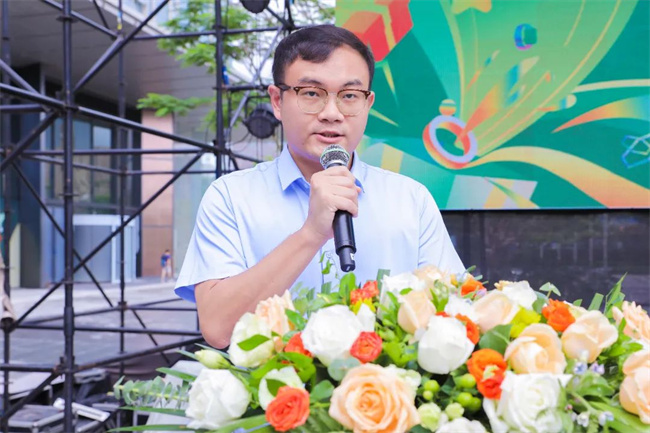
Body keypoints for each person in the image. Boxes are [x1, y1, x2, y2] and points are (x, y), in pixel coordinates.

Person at [175, 25, 464, 348]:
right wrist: (311, 234)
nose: (332, 113)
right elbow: (218, 328)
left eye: (349, 96)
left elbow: (457, 312)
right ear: (277, 101)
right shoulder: (230, 197)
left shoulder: (411, 199)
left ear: (368, 103)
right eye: (312, 93)